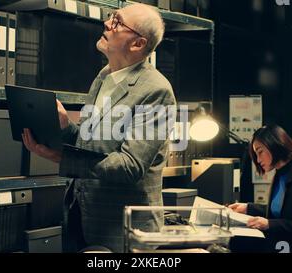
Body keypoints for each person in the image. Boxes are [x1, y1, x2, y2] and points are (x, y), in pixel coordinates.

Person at [22, 3, 176, 253]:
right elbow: (88, 143)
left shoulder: (156, 90)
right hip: (80, 218)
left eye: (117, 22)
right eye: (111, 17)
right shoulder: (104, 75)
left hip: (123, 232)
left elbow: (130, 166)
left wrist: (61, 157)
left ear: (137, 44)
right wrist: (64, 127)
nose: (107, 24)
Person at [229, 124, 292, 253]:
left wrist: (269, 224)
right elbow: (282, 211)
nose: (258, 159)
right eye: (256, 155)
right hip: (286, 246)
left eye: (260, 152)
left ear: (274, 145)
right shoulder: (280, 175)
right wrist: (248, 208)